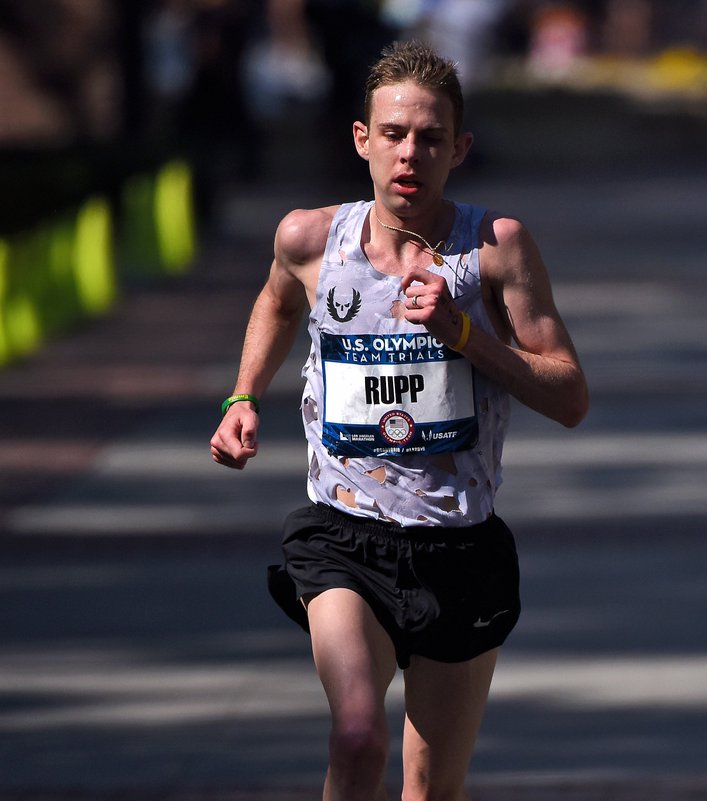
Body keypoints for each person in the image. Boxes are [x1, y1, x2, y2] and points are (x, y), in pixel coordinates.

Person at [209, 40, 588, 801]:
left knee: (429, 788)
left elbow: (569, 395)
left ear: (459, 149)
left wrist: (467, 337)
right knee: (357, 736)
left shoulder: (495, 250)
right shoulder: (311, 239)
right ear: (362, 140)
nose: (409, 152)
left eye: (430, 138)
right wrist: (242, 394)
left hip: (459, 547)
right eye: (392, 133)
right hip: (343, 537)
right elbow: (278, 300)